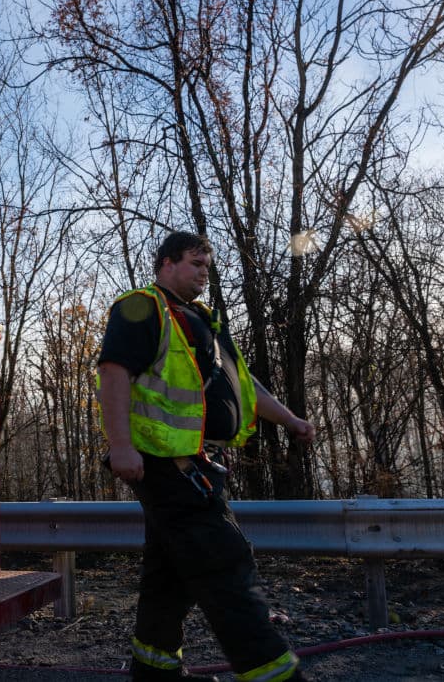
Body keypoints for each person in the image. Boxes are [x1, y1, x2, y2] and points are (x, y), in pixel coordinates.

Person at [97, 231, 316, 682]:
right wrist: (120, 445)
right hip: (168, 466)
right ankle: (275, 675)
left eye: (207, 267)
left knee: (169, 576)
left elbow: (245, 385)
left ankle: (154, 671)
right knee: (226, 566)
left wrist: (291, 420)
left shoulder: (200, 320)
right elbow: (114, 372)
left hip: (194, 464)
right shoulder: (143, 307)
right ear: (166, 263)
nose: (204, 274)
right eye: (195, 264)